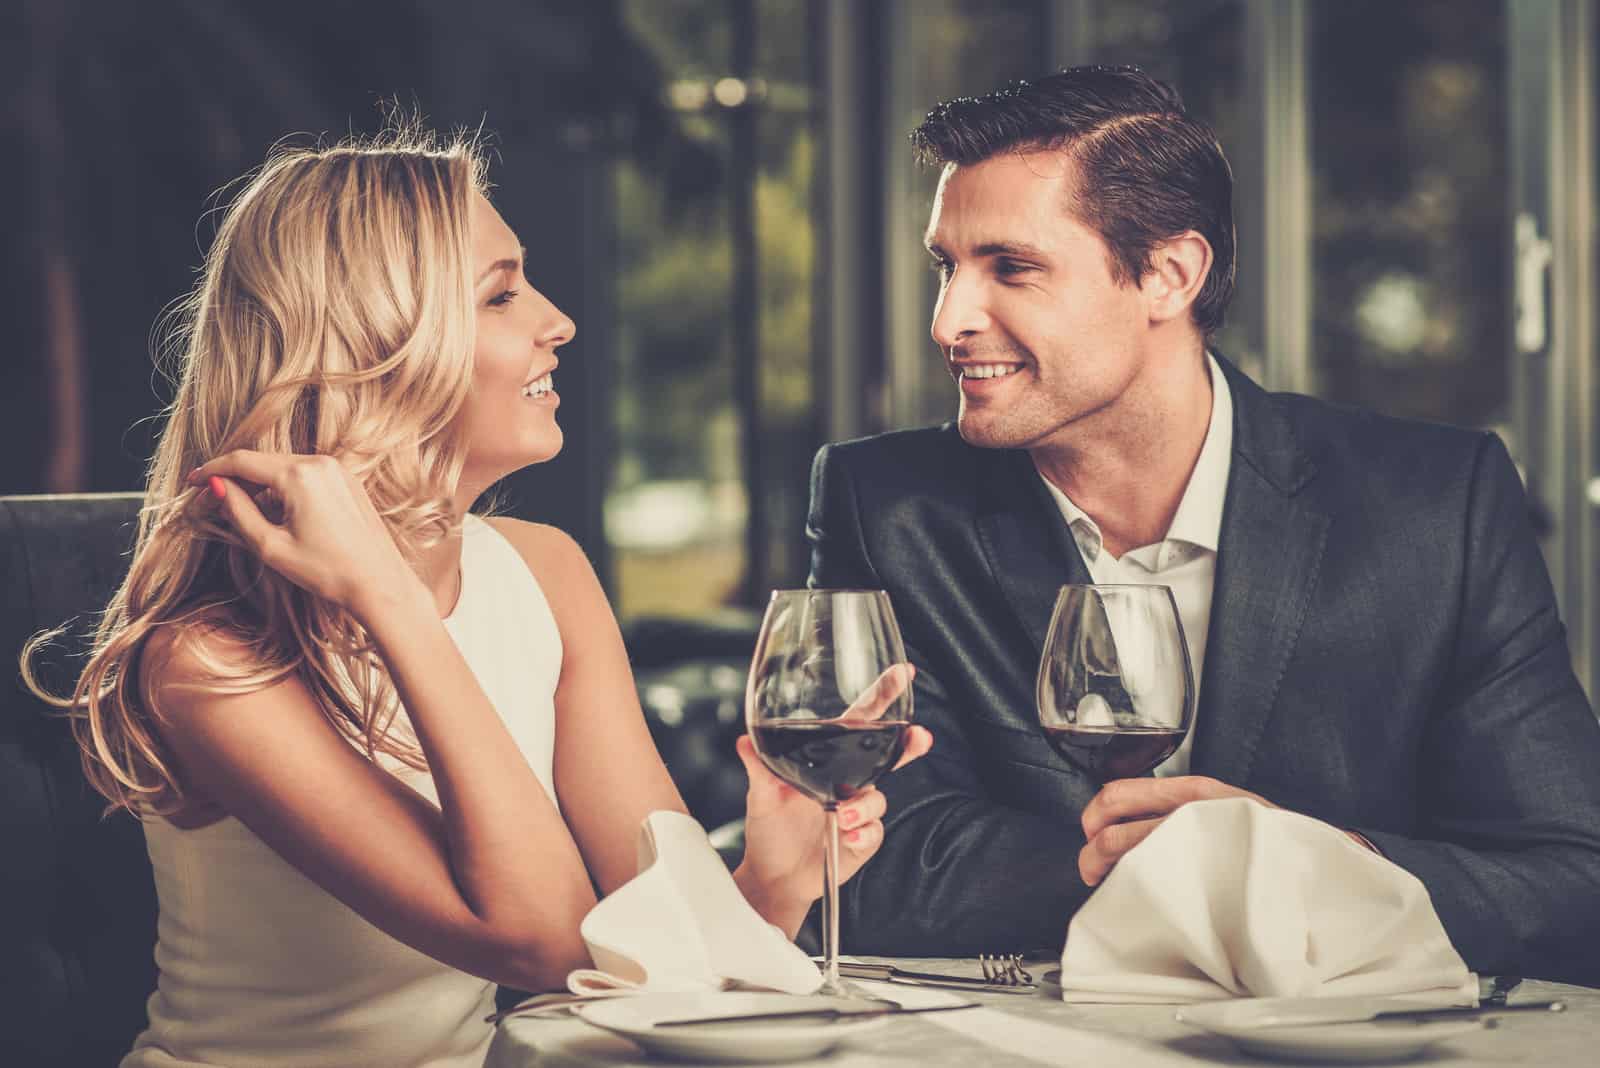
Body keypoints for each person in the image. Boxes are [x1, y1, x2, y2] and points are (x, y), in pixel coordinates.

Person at [23, 128, 931, 1067]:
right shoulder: (210, 658)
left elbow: (622, 956)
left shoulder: (547, 571)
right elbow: (537, 941)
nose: (557, 320)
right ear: (374, 347)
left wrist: (768, 885)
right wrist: (388, 594)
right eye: (500, 294)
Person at [806, 65, 1600, 984]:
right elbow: (857, 864)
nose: (949, 320)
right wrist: (1151, 872)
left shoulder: (1435, 503)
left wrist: (1297, 867)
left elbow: (1569, 877)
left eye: (1011, 268)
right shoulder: (886, 502)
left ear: (1168, 275)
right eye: (948, 266)